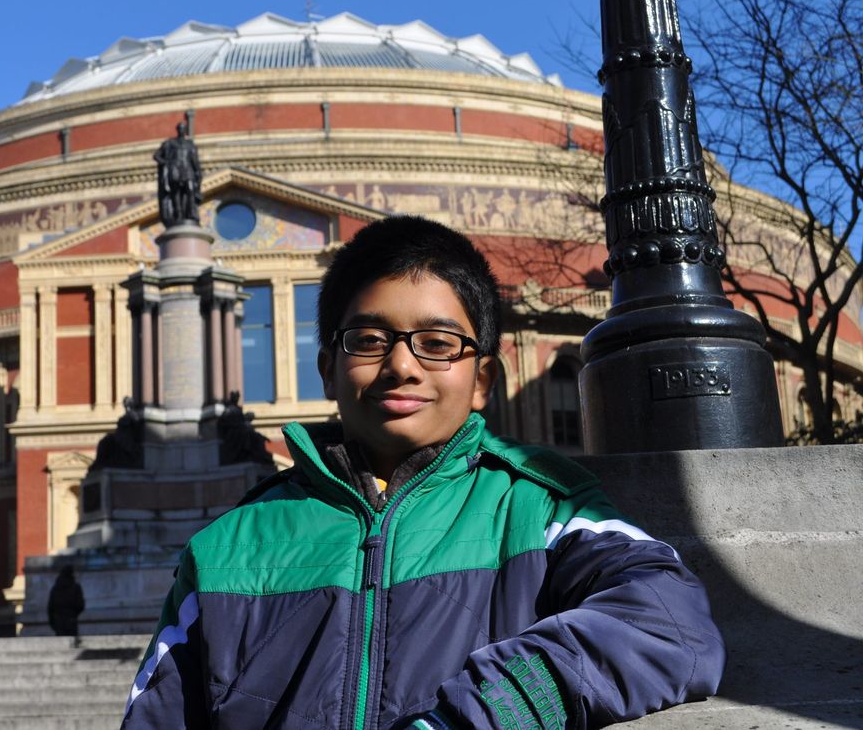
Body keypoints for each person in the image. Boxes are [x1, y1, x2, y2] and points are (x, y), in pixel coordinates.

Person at [122, 216, 725, 728]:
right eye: (369, 339)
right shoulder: (228, 545)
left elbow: (669, 619)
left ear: (484, 379)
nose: (401, 365)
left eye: (437, 343)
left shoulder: (542, 509)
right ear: (328, 370)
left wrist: (479, 716)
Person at [47, 566, 86, 640]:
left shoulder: (55, 589)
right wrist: (74, 614)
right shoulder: (76, 587)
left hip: (59, 621)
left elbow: (50, 608)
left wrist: (53, 623)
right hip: (71, 619)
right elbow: (80, 605)